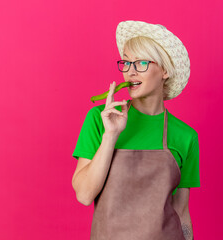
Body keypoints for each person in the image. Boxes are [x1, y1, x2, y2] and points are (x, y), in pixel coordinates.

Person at [72, 20, 200, 240]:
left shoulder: (185, 136)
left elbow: (181, 212)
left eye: (141, 63)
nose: (130, 72)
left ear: (165, 71)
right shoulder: (100, 119)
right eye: (126, 63)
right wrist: (110, 135)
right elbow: (84, 195)